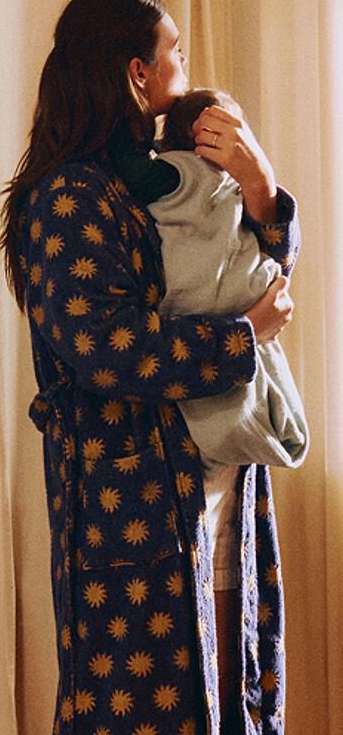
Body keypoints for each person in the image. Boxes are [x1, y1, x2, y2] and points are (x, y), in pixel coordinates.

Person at [0, 0, 297, 735]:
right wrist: (242, 340)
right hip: (123, 489)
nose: (185, 68)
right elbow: (103, 351)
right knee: (114, 714)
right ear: (135, 74)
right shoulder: (70, 199)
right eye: (172, 54)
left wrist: (259, 187)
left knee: (192, 714)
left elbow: (249, 274)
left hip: (205, 488)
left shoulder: (164, 178)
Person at [110, 87, 308, 473]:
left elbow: (129, 166)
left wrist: (126, 129)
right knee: (263, 369)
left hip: (205, 307)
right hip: (246, 295)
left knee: (227, 399)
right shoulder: (228, 184)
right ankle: (281, 428)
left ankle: (254, 429)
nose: (182, 58)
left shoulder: (177, 176)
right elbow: (277, 253)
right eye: (175, 49)